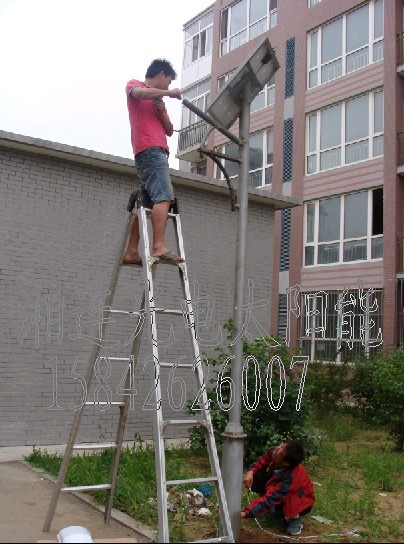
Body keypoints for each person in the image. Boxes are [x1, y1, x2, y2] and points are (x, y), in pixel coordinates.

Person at [123, 58, 183, 266]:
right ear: (161, 74)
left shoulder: (158, 100)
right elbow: (140, 94)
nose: (167, 86)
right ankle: (158, 246)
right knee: (164, 197)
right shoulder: (135, 85)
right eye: (167, 82)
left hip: (155, 152)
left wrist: (160, 110)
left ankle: (131, 251)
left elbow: (168, 130)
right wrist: (169, 93)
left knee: (146, 204)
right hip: (150, 151)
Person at [241, 441, 315, 536]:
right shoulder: (276, 453)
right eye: (281, 446)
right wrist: (251, 472)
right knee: (256, 476)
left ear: (286, 463)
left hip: (301, 499)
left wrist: (245, 513)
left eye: (281, 450)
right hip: (279, 488)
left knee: (289, 502)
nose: (277, 449)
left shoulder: (291, 478)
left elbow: (271, 498)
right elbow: (263, 460)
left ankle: (295, 519)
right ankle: (271, 510)